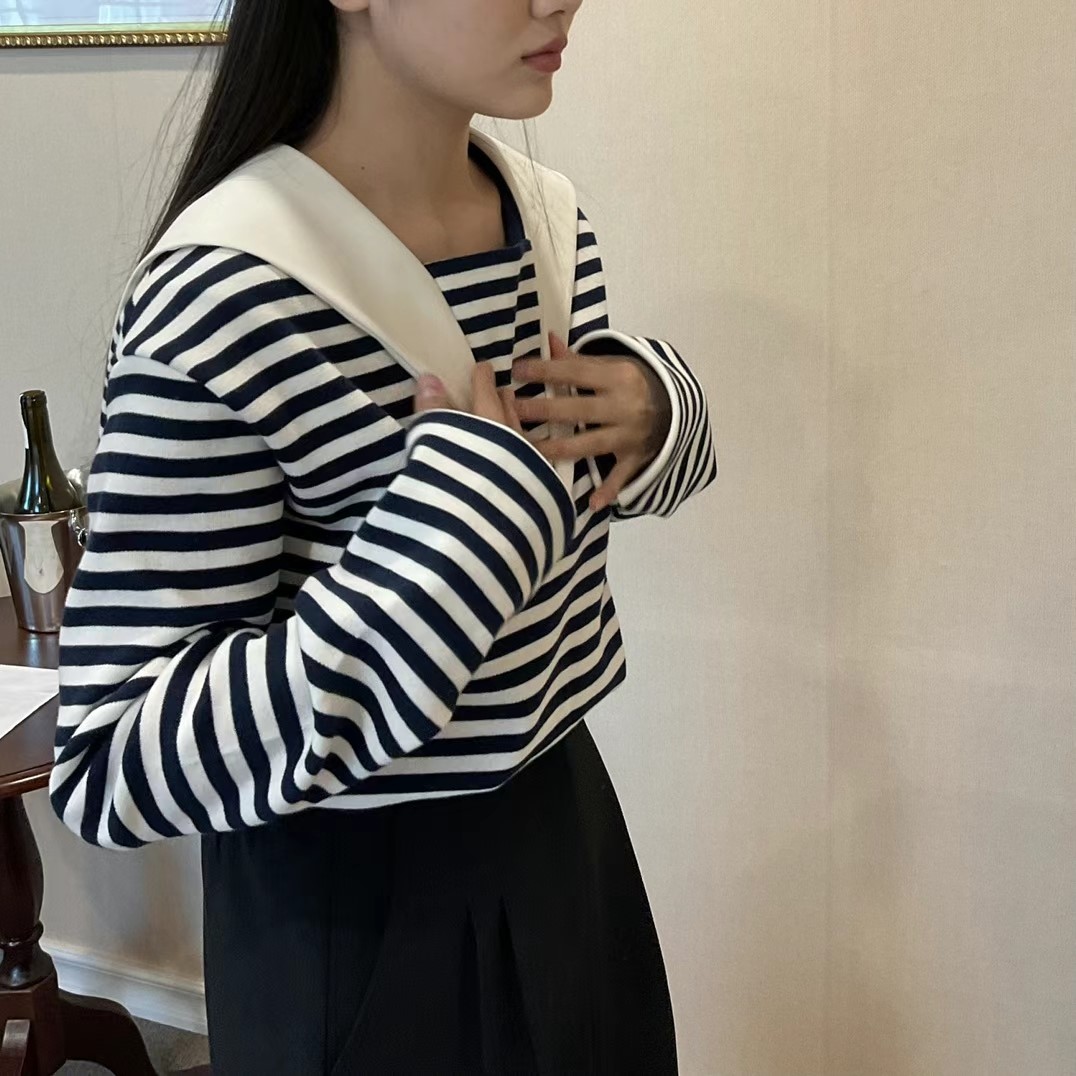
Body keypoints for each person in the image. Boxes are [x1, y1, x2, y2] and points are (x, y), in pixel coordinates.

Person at [50, 0, 717, 1072]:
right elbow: (113, 759)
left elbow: (552, 516)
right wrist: (451, 539)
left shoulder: (548, 225)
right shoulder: (223, 292)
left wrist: (654, 412)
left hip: (568, 839)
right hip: (351, 921)